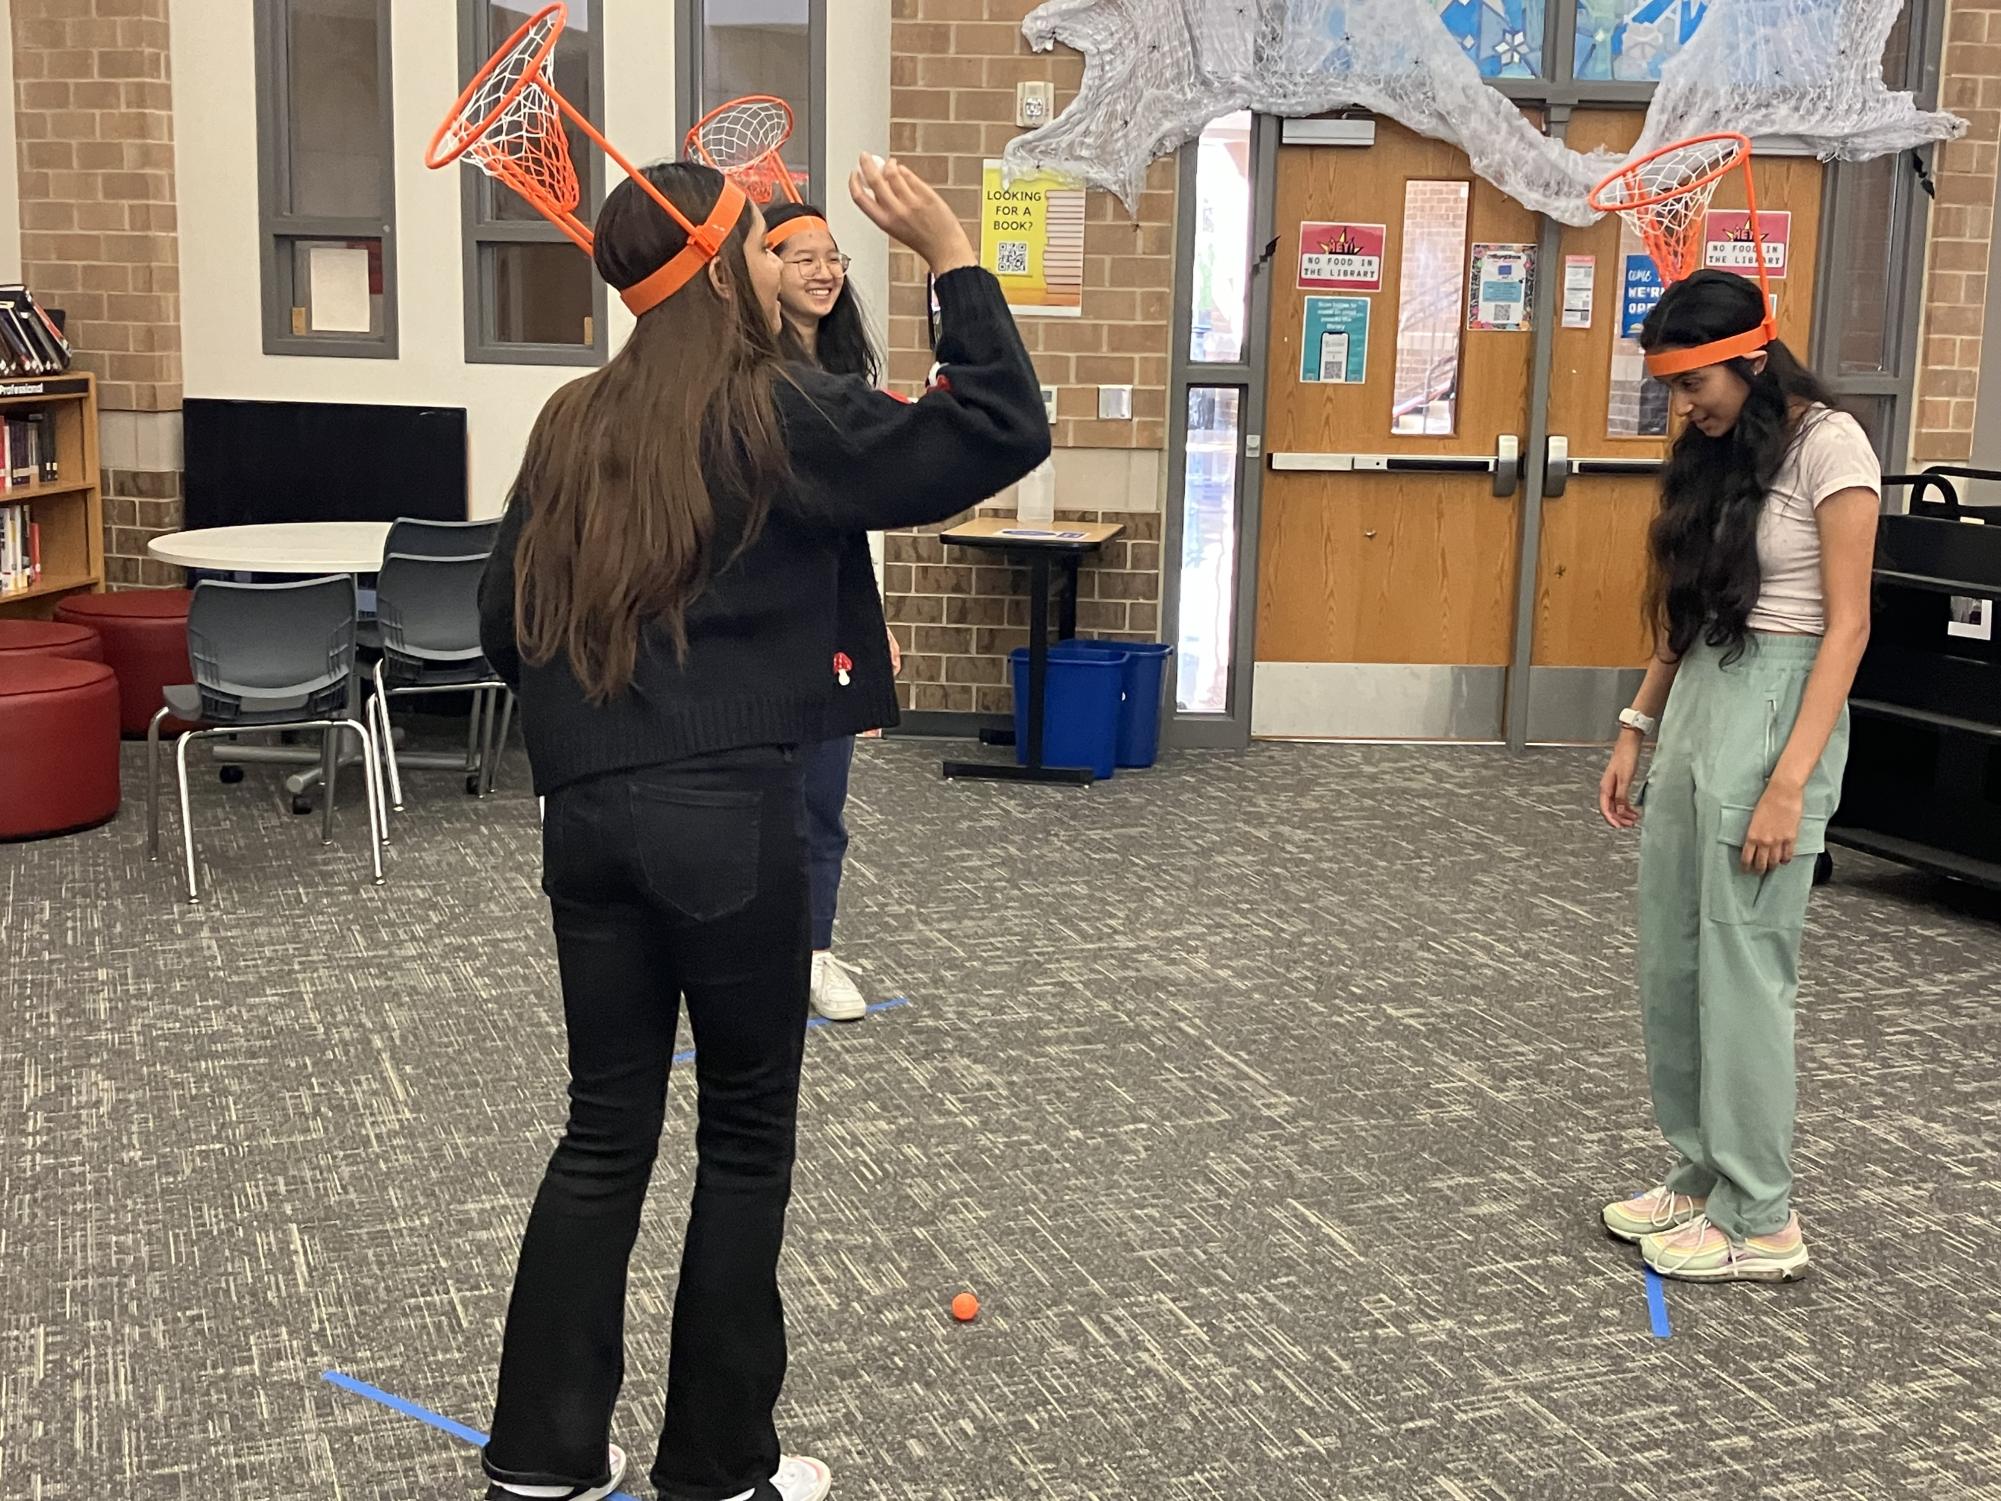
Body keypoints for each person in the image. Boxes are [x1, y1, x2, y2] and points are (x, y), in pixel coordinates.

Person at [476, 156, 1048, 1501]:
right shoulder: (773, 408)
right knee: (743, 1137)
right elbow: (997, 429)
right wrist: (953, 255)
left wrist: (610, 719)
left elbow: (504, 626)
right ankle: (716, 1464)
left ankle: (541, 1455)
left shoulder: (570, 420)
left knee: (602, 1130)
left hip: (588, 821)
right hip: (726, 819)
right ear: (730, 261)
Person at [1597, 268, 1878, 1284]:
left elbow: (1848, 627)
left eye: (1694, 384)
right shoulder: (1719, 452)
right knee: (1674, 957)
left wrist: (1789, 781)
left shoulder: (1832, 445)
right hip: (1706, 698)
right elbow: (1688, 603)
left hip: (1780, 709)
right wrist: (1639, 721)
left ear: (1752, 358)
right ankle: (1702, 1169)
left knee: (1746, 971)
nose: (1684, 407)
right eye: (1670, 389)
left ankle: (1764, 1215)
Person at [764, 198, 897, 1022]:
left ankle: (811, 951)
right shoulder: (743, 373)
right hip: (761, 613)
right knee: (754, 799)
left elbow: (850, 525)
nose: (822, 271)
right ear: (762, 269)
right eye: (801, 256)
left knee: (821, 798)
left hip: (834, 612)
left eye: (833, 257)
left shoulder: (846, 377)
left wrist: (870, 621)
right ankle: (750, 955)